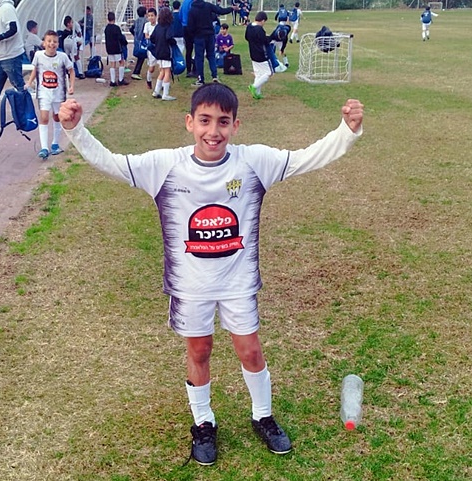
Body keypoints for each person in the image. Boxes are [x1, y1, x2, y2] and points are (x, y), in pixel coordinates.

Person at [58, 82, 364, 466]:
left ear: (236, 125)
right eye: (204, 120)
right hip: (191, 286)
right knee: (199, 350)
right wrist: (75, 129)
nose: (213, 131)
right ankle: (203, 422)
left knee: (250, 350)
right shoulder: (166, 166)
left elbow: (306, 158)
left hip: (238, 283)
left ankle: (263, 416)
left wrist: (346, 131)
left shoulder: (253, 162)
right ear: (189, 122)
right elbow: (112, 162)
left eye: (222, 121)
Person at [25, 30, 74, 160]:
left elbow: (71, 70)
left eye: (55, 41)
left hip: (59, 92)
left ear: (58, 44)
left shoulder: (62, 57)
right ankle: (44, 148)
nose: (52, 44)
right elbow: (35, 69)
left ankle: (55, 144)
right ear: (44, 43)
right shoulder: (38, 56)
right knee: (44, 117)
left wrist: (71, 86)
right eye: (49, 41)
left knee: (57, 117)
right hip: (44, 92)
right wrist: (29, 82)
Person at [187, 0, 238, 86]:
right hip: (210, 35)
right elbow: (220, 11)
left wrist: (193, 36)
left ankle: (200, 79)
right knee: (211, 55)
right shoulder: (208, 6)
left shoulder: (192, 10)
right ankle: (215, 76)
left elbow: (190, 26)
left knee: (199, 58)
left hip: (199, 36)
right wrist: (231, 8)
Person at [150, 7, 178, 101]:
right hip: (166, 52)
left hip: (158, 52)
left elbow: (152, 38)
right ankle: (165, 94)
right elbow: (169, 37)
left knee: (162, 72)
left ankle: (156, 91)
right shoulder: (168, 26)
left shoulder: (158, 26)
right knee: (167, 72)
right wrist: (173, 42)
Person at [245, 11, 272, 99]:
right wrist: (269, 37)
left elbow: (246, 37)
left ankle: (257, 93)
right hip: (261, 54)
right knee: (269, 73)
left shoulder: (249, 26)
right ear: (263, 20)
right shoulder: (259, 29)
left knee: (258, 74)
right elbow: (265, 41)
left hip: (253, 53)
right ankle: (254, 86)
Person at [103, 11, 128, 87]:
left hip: (109, 49)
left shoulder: (106, 28)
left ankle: (112, 81)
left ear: (108, 19)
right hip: (117, 48)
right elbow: (120, 38)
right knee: (121, 62)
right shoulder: (116, 28)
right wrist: (125, 43)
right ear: (114, 18)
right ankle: (120, 79)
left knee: (112, 64)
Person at [130, 6, 148, 81]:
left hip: (137, 41)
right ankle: (136, 72)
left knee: (141, 57)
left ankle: (137, 72)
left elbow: (131, 29)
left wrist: (135, 35)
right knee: (142, 56)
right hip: (143, 41)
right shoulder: (146, 21)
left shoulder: (136, 21)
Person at [143, 8, 159, 90]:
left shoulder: (159, 25)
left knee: (162, 67)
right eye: (149, 16)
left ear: (156, 16)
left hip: (159, 47)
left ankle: (162, 84)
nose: (150, 17)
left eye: (152, 15)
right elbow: (146, 36)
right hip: (151, 48)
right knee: (152, 68)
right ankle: (148, 80)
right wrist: (153, 37)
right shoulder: (147, 25)